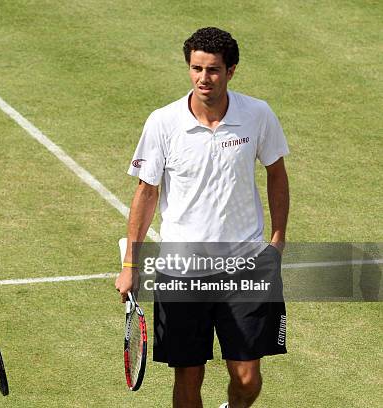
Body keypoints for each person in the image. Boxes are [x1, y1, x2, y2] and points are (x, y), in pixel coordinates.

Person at [115, 27, 290, 408]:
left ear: (231, 71)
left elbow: (276, 173)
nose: (203, 78)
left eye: (212, 70)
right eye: (196, 68)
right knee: (189, 376)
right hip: (182, 269)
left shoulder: (257, 115)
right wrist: (130, 263)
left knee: (247, 379)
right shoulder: (163, 122)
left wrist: (277, 241)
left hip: (245, 266)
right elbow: (146, 195)